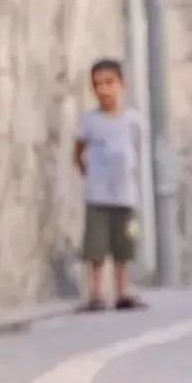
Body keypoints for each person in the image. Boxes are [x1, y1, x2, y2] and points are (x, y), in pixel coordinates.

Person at [74, 58, 145, 311]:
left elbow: (135, 150)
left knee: (124, 246)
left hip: (125, 194)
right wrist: (87, 172)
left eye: (109, 83)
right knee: (96, 246)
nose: (104, 90)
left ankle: (123, 291)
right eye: (97, 85)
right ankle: (96, 293)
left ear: (122, 84)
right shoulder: (90, 121)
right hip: (98, 194)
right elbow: (79, 150)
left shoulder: (133, 120)